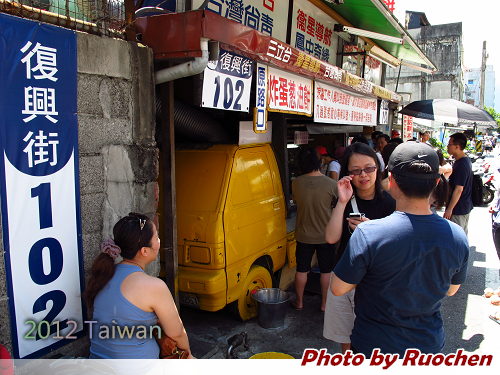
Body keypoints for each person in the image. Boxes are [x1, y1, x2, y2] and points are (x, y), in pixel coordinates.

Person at [330, 142, 469, 356]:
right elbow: (451, 290)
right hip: (428, 348)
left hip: (374, 348)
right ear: (436, 183)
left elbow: (338, 288)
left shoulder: (368, 234)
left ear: (391, 180)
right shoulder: (458, 236)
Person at [84, 213, 194, 363]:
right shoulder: (154, 286)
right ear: (144, 251)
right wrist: (189, 357)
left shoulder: (104, 274)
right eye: (156, 237)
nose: (159, 241)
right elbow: (177, 334)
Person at [323, 142, 396, 353]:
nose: (363, 175)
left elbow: (393, 249)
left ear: (377, 168)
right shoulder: (344, 199)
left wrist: (370, 231)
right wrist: (343, 201)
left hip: (374, 281)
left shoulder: (389, 204)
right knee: (345, 334)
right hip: (343, 276)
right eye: (356, 170)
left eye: (369, 168)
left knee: (370, 339)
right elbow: (331, 238)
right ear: (348, 173)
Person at [292, 148, 338, 312]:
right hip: (327, 235)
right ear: (319, 163)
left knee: (302, 269)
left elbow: (296, 201)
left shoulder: (296, 183)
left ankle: (299, 302)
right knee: (326, 270)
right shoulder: (332, 184)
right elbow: (336, 204)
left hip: (304, 235)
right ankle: (325, 304)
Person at [444, 133, 473, 236]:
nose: (447, 146)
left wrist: (450, 209)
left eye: (449, 144)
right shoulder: (464, 160)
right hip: (463, 206)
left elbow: (459, 189)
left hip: (458, 209)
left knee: (457, 238)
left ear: (457, 147)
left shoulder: (461, 164)